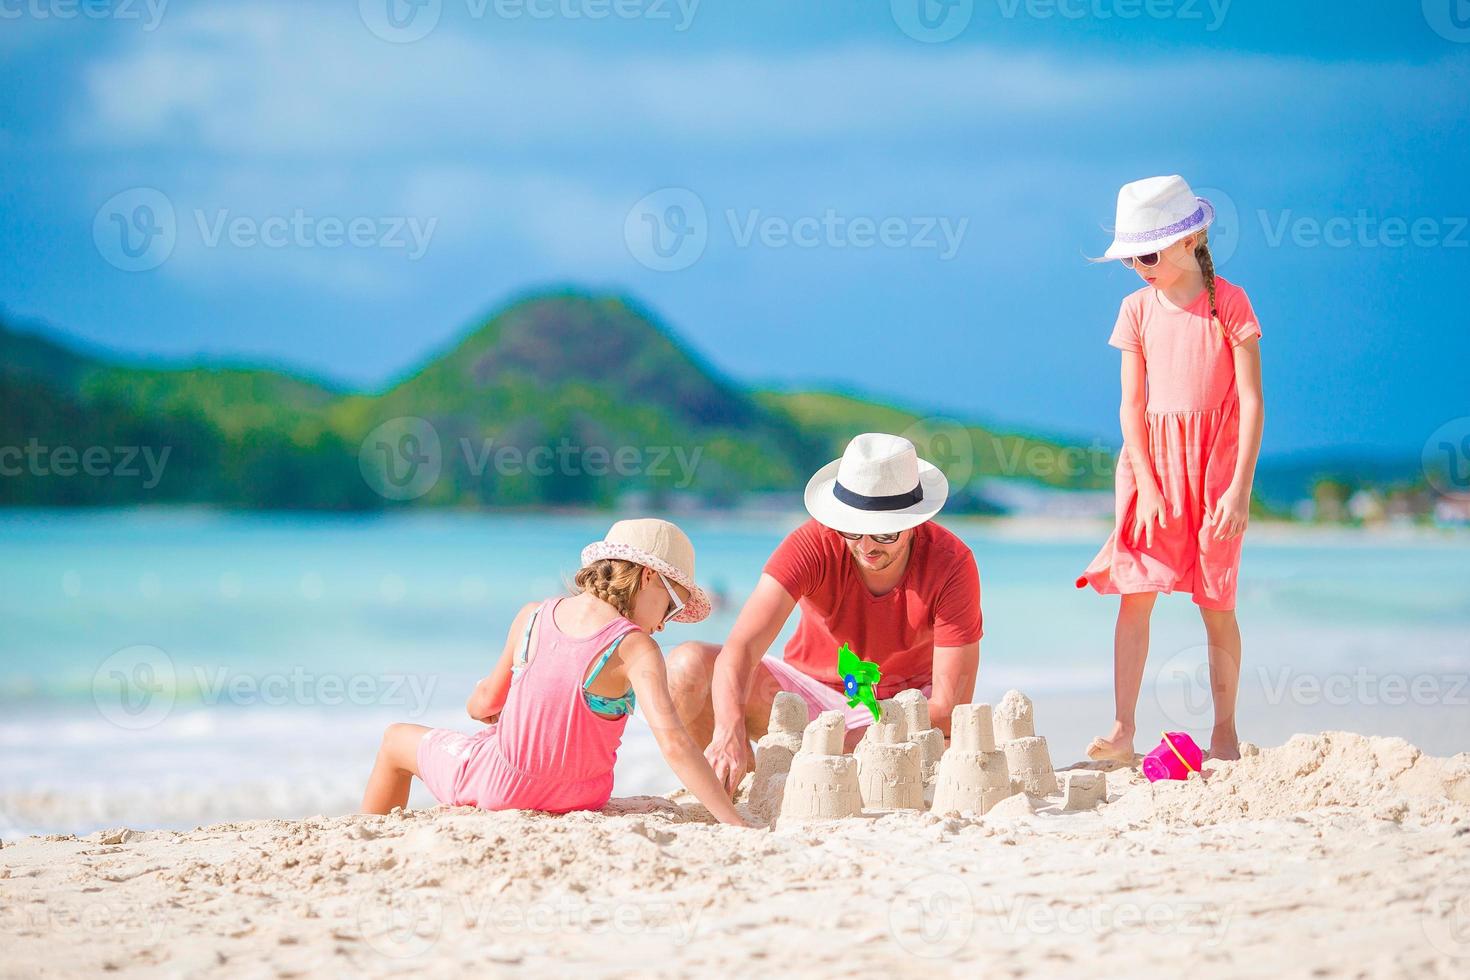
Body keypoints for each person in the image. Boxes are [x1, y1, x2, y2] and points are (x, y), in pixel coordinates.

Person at [361, 518, 747, 826]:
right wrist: (734, 821)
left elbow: (481, 706)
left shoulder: (533, 616)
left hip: (504, 786)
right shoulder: (638, 650)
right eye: (672, 605)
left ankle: (369, 843)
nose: (666, 623)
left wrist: (487, 701)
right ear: (648, 577)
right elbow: (675, 745)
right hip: (583, 795)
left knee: (396, 739)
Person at [667, 432, 983, 794]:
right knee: (686, 664)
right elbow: (739, 650)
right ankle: (736, 785)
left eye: (883, 534)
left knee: (942, 739)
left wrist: (855, 737)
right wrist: (728, 732)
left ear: (913, 522)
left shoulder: (952, 564)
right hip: (810, 699)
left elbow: (950, 704)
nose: (866, 546)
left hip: (905, 711)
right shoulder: (812, 543)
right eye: (853, 529)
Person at [1075, 175, 1265, 763]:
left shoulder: (1228, 303)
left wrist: (1239, 491)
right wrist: (1148, 484)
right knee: (1135, 595)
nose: (1139, 266)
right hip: (1148, 464)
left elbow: (1253, 401)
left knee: (1216, 604)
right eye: (1130, 257)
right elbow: (1131, 406)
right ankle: (1123, 727)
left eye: (1148, 254)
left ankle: (1225, 730)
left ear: (1192, 239)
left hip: (1215, 468)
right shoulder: (1135, 308)